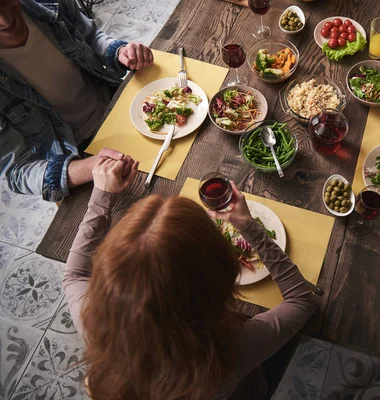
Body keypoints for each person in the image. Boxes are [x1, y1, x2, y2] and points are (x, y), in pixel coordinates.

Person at [62, 159, 317, 399]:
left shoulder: (93, 320)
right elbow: (302, 302)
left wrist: (102, 196)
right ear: (219, 282)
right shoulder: (231, 352)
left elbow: (74, 274)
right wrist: (249, 226)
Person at [0, 0, 153, 201]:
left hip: (114, 106)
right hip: (76, 160)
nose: (5, 20)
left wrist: (117, 51)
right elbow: (18, 172)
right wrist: (91, 166)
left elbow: (89, 37)